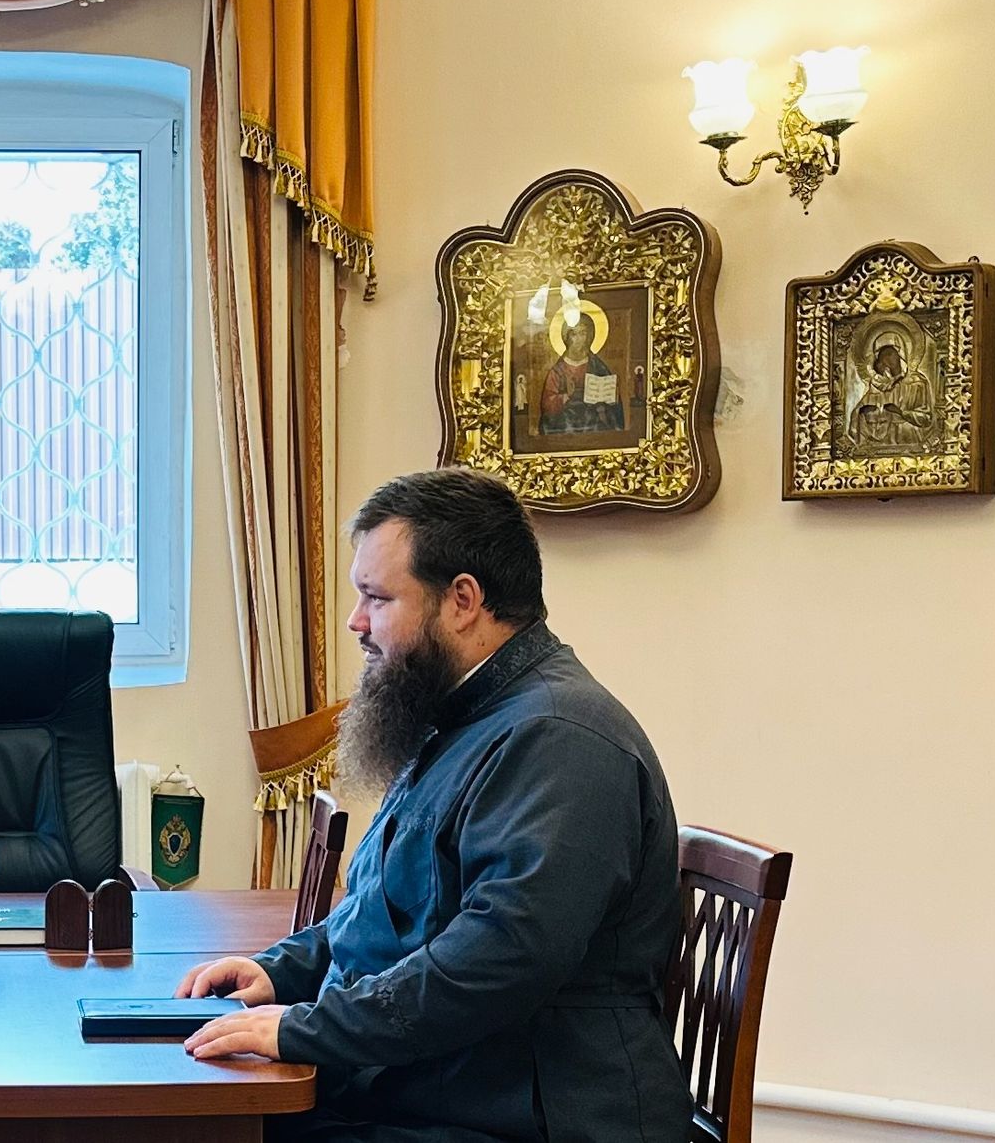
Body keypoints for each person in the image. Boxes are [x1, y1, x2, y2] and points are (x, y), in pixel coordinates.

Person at [176, 468, 687, 1142]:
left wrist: (307, 1028)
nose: (357, 622)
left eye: (377, 597)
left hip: (530, 1116)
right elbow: (386, 911)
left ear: (463, 601)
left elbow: (498, 961)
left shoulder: (558, 739)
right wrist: (281, 972)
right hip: (443, 1089)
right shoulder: (459, 717)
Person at [538, 314, 624, 435]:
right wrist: (566, 396)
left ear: (589, 336)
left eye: (583, 333)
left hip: (593, 419)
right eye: (574, 334)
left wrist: (610, 395)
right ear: (566, 338)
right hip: (566, 421)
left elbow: (612, 402)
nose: (579, 339)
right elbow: (547, 404)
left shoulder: (597, 366)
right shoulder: (558, 371)